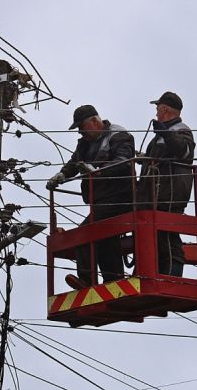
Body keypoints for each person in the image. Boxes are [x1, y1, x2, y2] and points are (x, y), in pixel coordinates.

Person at [47, 104, 135, 290]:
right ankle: (114, 281)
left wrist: (98, 171)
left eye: (82, 126)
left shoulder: (118, 135)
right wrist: (62, 175)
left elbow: (124, 162)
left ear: (95, 121)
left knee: (85, 233)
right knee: (105, 239)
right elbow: (75, 162)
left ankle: (87, 280)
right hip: (100, 201)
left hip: (120, 198)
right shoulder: (86, 142)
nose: (80, 132)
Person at [138, 91, 196, 277]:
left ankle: (172, 277)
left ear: (164, 109)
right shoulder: (162, 135)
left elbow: (184, 152)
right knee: (156, 239)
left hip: (169, 195)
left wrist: (164, 132)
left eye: (157, 109)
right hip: (155, 195)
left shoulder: (181, 130)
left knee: (168, 239)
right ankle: (156, 274)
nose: (156, 113)